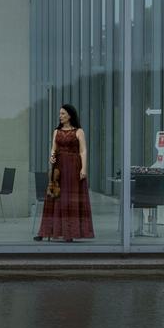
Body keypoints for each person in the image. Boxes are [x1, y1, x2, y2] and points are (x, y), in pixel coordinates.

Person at [36, 103, 92, 242]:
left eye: (63, 114)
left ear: (70, 115)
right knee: (54, 196)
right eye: (60, 114)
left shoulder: (79, 131)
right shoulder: (56, 131)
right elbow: (53, 149)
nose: (60, 116)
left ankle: (69, 233)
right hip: (59, 167)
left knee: (69, 198)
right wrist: (52, 156)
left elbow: (83, 151)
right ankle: (45, 231)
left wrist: (84, 168)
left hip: (73, 167)